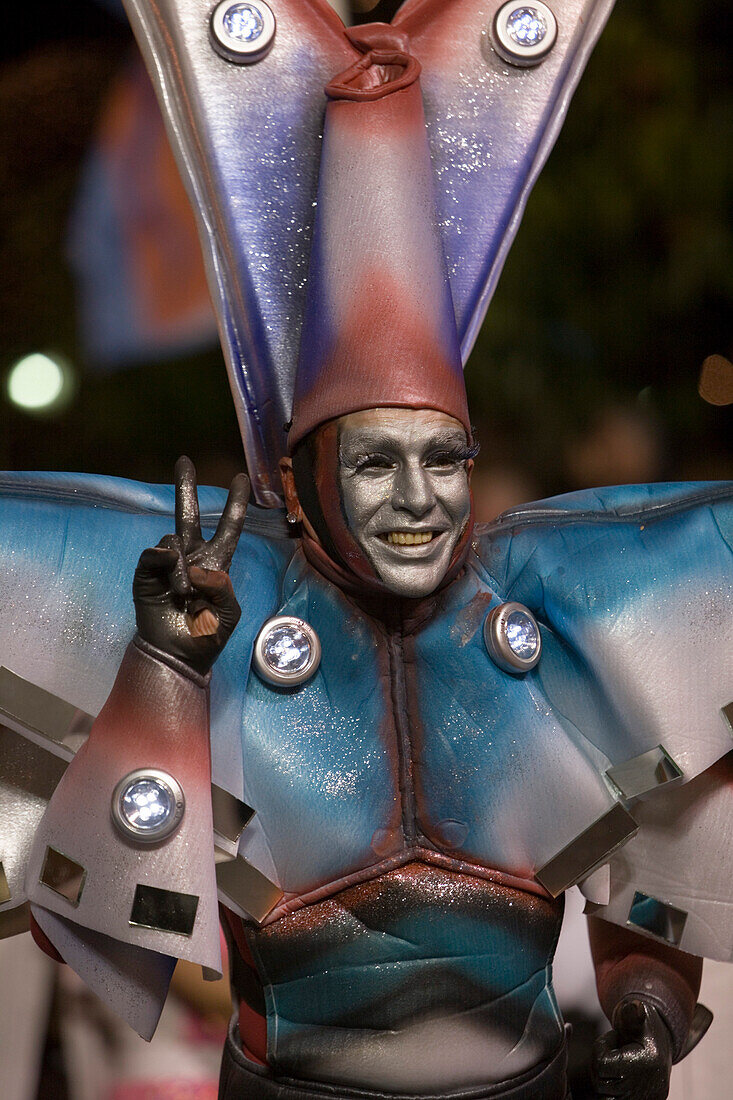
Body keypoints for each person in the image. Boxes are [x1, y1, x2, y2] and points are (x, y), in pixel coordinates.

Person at [1, 8, 731, 1100]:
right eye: (377, 462)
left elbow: (647, 901)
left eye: (444, 459)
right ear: (301, 484)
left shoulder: (562, 613)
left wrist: (645, 1010)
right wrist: (163, 680)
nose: (419, 500)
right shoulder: (214, 622)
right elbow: (105, 933)